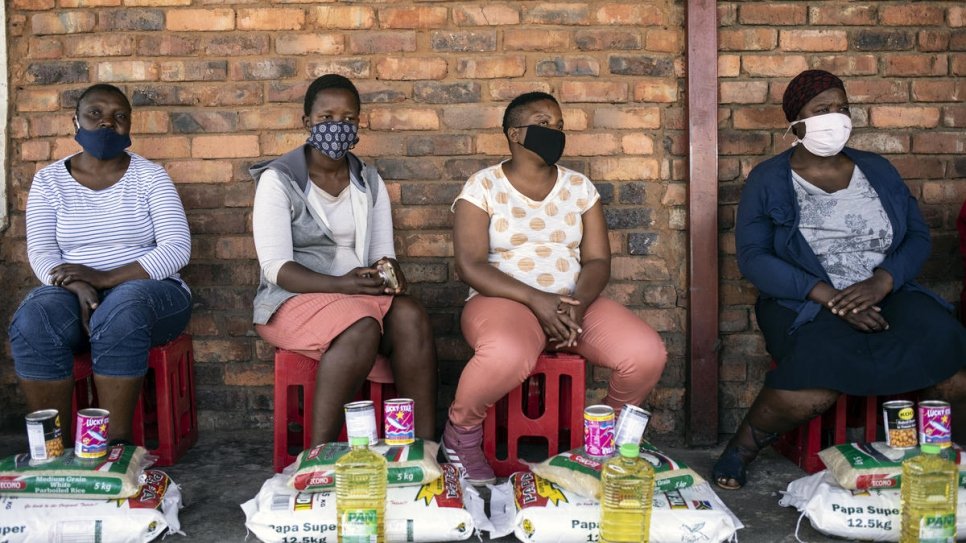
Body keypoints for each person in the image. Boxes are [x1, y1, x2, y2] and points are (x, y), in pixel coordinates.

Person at [714, 69, 966, 490]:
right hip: (804, 300)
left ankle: (946, 454)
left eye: (842, 108)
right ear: (796, 121)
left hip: (887, 291)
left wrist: (883, 281)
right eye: (822, 109)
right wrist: (827, 295)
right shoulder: (769, 179)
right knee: (815, 382)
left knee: (949, 350)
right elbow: (754, 258)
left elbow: (918, 237)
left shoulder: (878, 170)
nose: (837, 117)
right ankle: (739, 451)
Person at [442, 91, 668, 484]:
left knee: (645, 353)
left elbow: (598, 260)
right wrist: (538, 301)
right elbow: (469, 265)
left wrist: (575, 305)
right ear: (515, 133)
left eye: (559, 126)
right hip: (502, 299)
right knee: (507, 354)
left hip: (572, 300)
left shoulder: (579, 187)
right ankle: (460, 436)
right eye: (544, 124)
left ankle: (605, 440)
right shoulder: (483, 186)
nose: (555, 132)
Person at [250, 74, 437, 446]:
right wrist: (342, 285)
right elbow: (276, 268)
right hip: (291, 300)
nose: (338, 127)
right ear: (307, 123)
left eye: (348, 119)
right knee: (363, 324)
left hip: (355, 297)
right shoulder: (279, 179)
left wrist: (386, 276)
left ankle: (424, 448)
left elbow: (382, 254)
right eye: (326, 118)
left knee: (411, 314)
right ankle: (319, 451)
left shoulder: (367, 180)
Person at [9, 83, 193, 444]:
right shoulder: (48, 181)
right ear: (74, 120)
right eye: (96, 114)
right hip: (73, 291)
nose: (107, 124)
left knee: (123, 308)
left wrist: (103, 278)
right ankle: (52, 448)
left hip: (152, 293)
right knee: (34, 318)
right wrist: (78, 285)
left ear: (129, 127)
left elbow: (176, 249)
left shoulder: (150, 176)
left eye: (119, 117)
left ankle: (111, 449)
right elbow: (43, 253)